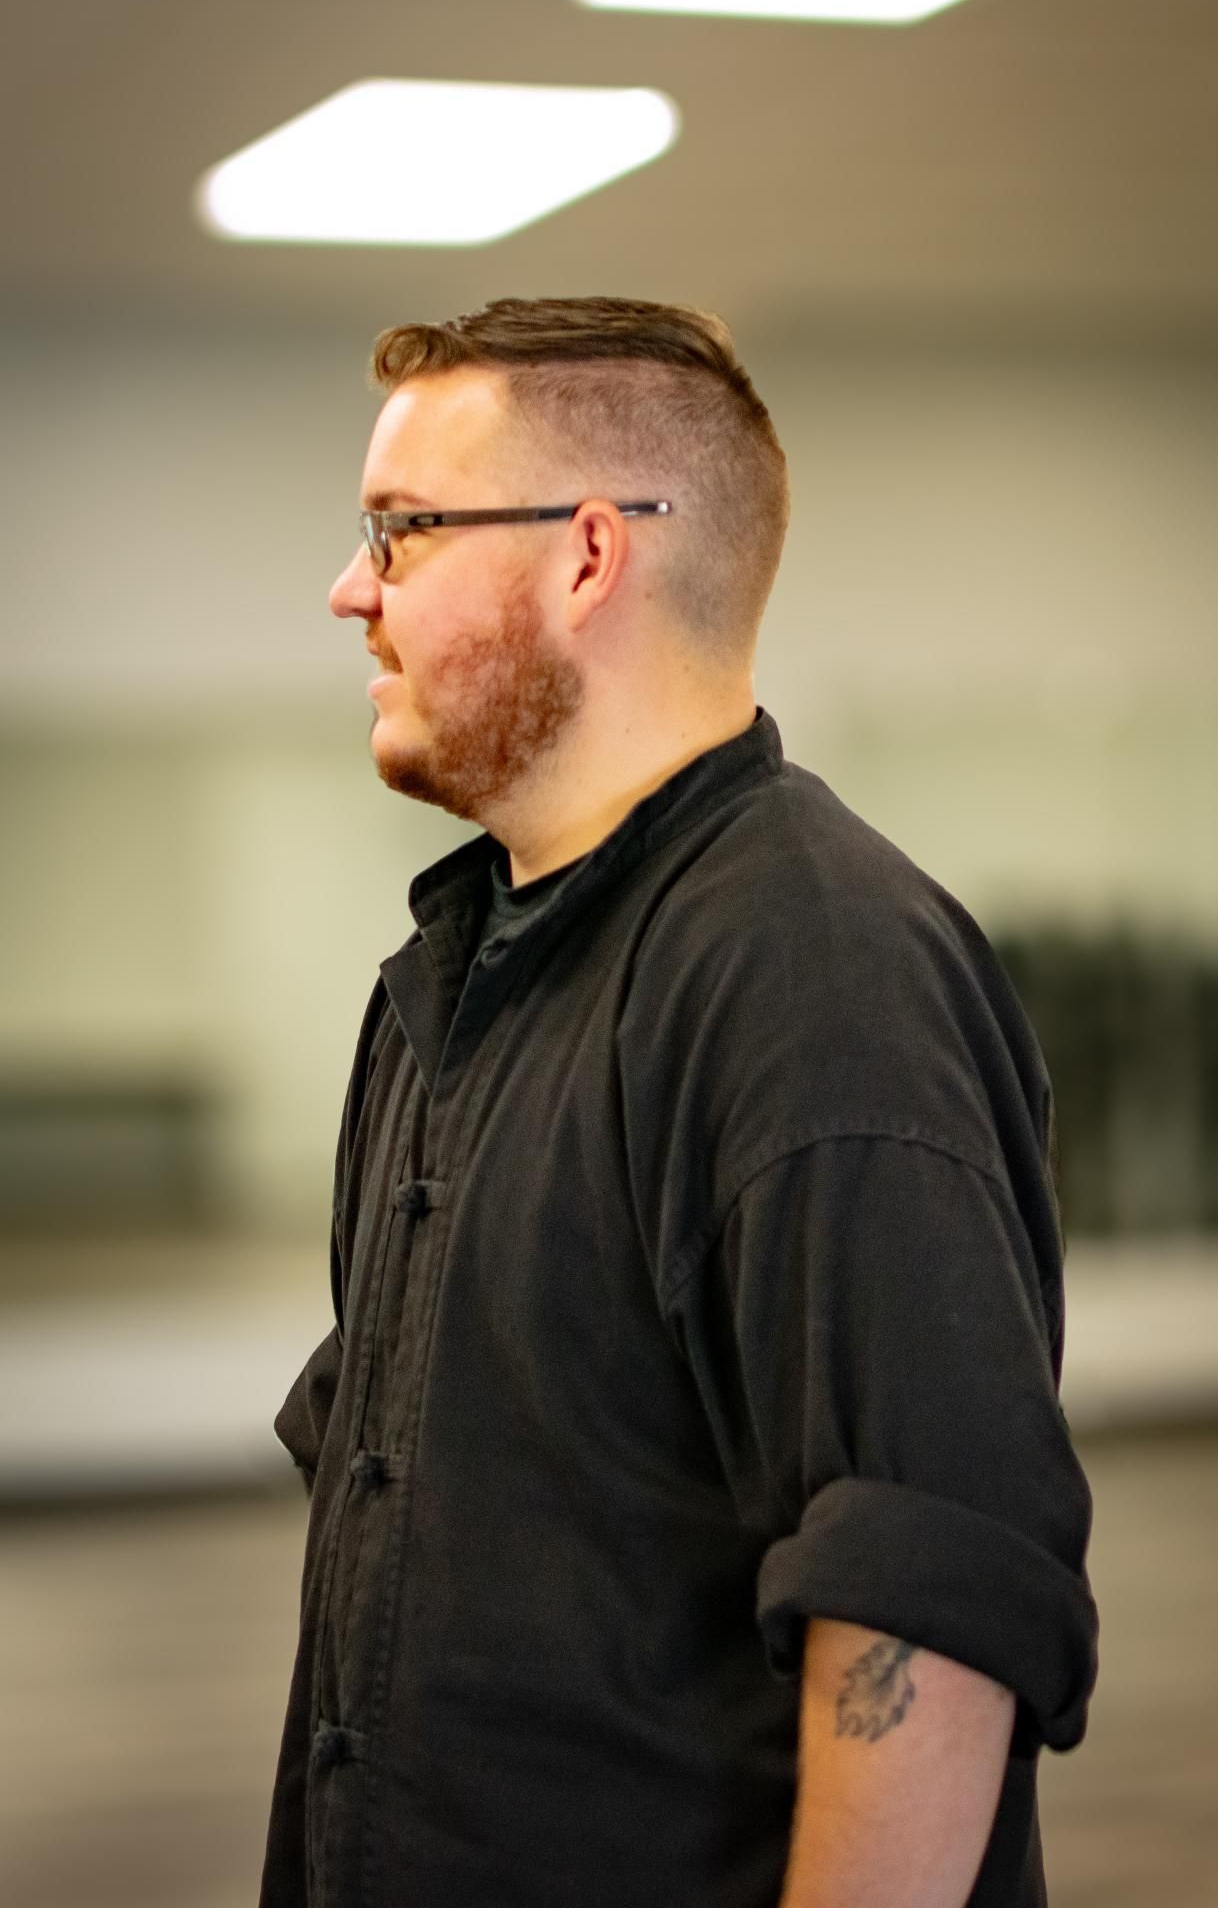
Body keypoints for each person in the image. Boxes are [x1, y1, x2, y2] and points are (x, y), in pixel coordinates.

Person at [260, 296, 1098, 1908]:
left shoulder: (813, 974)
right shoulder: (452, 981)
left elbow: (928, 1593)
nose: (351, 589)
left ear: (585, 557)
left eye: (400, 531)